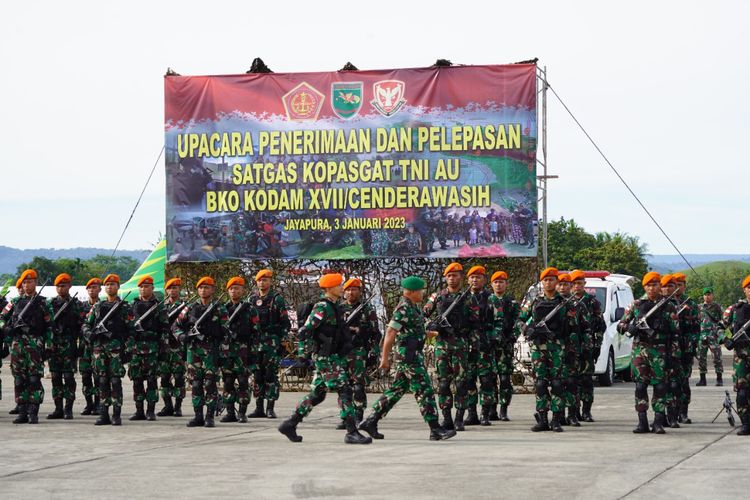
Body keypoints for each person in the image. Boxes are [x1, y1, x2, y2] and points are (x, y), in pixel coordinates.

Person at [358, 276, 456, 441]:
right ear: (411, 292)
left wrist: (433, 333)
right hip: (408, 357)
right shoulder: (403, 309)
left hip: (412, 354)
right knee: (425, 390)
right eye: (420, 291)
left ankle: (370, 421)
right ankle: (435, 429)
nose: (422, 294)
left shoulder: (414, 308)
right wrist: (384, 359)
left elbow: (413, 331)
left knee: (396, 390)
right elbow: (390, 332)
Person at [278, 272, 371, 444]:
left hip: (332, 356)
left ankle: (290, 424)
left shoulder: (335, 306)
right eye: (339, 285)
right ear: (329, 288)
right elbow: (305, 331)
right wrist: (302, 354)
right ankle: (351, 431)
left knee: (318, 394)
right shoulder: (322, 307)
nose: (342, 288)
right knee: (345, 389)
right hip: (325, 357)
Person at [618, 272, 679, 434]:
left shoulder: (668, 306)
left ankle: (658, 422)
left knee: (660, 386)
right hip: (640, 350)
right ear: (644, 287)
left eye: (655, 285)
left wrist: (674, 356)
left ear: (660, 286)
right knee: (640, 386)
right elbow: (620, 325)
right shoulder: (636, 305)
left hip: (660, 352)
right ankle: (642, 421)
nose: (652, 288)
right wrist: (628, 327)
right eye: (648, 285)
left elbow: (675, 333)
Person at [520, 267, 578, 432]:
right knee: (540, 384)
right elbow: (520, 319)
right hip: (539, 347)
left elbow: (573, 328)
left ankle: (557, 419)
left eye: (552, 279)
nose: (548, 282)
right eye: (545, 280)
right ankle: (543, 418)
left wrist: (570, 350)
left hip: (557, 347)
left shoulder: (565, 303)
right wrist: (526, 329)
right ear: (542, 282)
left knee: (558, 383)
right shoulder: (534, 301)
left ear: (557, 282)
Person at [173, 276, 229, 428]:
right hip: (194, 350)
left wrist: (223, 354)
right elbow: (176, 326)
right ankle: (198, 416)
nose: (203, 290)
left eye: (207, 287)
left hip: (211, 350)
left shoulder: (220, 308)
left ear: (213, 290)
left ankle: (209, 416)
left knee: (210, 384)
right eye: (201, 288)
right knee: (196, 384)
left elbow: (225, 332)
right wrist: (182, 336)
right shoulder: (190, 307)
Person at [423, 262, 472, 431]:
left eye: (455, 275)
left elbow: (476, 321)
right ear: (445, 278)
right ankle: (446, 418)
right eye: (449, 275)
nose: (452, 278)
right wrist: (432, 326)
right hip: (442, 345)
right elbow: (424, 313)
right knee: (443, 384)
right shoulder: (437, 296)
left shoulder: (468, 297)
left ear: (461, 277)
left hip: (460, 344)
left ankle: (459, 418)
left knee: (461, 384)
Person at [0, 269, 53, 424]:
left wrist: (48, 345)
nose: (27, 284)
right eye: (24, 282)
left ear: (35, 283)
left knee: (34, 379)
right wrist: (6, 328)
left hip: (35, 345)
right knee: (19, 380)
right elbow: (1, 317)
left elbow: (50, 326)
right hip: (18, 346)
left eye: (30, 281)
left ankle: (33, 411)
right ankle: (22, 411)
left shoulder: (43, 303)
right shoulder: (15, 302)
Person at [82, 274, 134, 426]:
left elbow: (131, 330)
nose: (110, 287)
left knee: (116, 381)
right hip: (99, 349)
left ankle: (116, 414)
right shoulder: (98, 307)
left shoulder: (125, 307)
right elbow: (86, 324)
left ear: (118, 287)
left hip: (116, 349)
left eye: (113, 284)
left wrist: (128, 349)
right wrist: (88, 334)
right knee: (102, 381)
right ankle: (103, 413)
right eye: (107, 284)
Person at [247, 269, 291, 419]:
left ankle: (270, 408)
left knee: (271, 375)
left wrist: (283, 341)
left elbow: (285, 323)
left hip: (272, 343)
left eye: (265, 280)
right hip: (256, 342)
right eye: (260, 280)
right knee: (257, 375)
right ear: (256, 282)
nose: (262, 282)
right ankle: (259, 407)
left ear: (270, 282)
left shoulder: (276, 299)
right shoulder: (251, 300)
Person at [337, 277, 380, 428]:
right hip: (341, 352)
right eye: (348, 290)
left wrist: (374, 352)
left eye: (354, 289)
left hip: (358, 352)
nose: (350, 292)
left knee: (358, 386)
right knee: (343, 386)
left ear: (359, 291)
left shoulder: (367, 310)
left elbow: (376, 333)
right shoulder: (338, 309)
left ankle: (358, 416)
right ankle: (345, 417)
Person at [128, 275, 169, 422]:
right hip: (135, 349)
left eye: (147, 286)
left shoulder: (159, 306)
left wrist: (163, 349)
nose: (144, 289)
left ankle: (150, 410)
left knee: (152, 381)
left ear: (152, 288)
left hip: (152, 348)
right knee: (137, 381)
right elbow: (128, 329)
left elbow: (165, 329)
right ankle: (139, 410)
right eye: (141, 286)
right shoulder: (131, 306)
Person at [221, 276, 260, 423]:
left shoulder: (250, 309)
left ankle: (242, 412)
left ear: (242, 290)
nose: (233, 291)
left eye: (237, 288)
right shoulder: (223, 309)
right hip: (227, 351)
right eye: (231, 289)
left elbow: (256, 332)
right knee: (228, 382)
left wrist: (254, 353)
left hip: (244, 351)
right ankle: (230, 412)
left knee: (243, 382)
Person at [570, 270, 606, 423]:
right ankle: (574, 411)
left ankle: (586, 411)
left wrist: (597, 345)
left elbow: (600, 326)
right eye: (574, 283)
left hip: (587, 347)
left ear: (584, 284)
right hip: (571, 348)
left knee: (586, 380)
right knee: (572, 381)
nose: (577, 286)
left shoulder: (592, 302)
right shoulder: (567, 301)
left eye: (579, 283)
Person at [488, 271, 520, 421]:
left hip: (506, 347)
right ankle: (492, 409)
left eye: (501, 282)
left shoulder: (512, 303)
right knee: (490, 378)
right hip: (490, 346)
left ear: (506, 284)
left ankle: (503, 409)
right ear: (491, 284)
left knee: (505, 379)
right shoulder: (487, 301)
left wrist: (513, 336)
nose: (498, 284)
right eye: (496, 282)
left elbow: (519, 321)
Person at [722, 274, 750, 435]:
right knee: (742, 391)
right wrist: (725, 339)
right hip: (742, 357)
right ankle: (746, 423)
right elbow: (718, 327)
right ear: (744, 290)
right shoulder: (734, 309)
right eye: (749, 288)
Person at [672, 272, 700, 424]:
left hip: (685, 348)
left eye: (680, 285)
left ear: (684, 286)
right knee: (670, 382)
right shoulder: (666, 303)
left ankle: (683, 412)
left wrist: (692, 345)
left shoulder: (691, 304)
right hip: (670, 349)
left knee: (684, 381)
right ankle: (671, 413)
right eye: (674, 285)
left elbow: (696, 328)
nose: (677, 288)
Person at [158, 278, 187, 417]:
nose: (173, 290)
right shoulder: (161, 307)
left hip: (178, 347)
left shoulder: (185, 306)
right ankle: (167, 406)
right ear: (166, 290)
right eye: (170, 288)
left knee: (179, 377)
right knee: (164, 377)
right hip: (164, 346)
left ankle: (178, 407)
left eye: (175, 288)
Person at [465, 265, 489, 426]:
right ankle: (471, 413)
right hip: (467, 347)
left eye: (478, 277)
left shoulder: (490, 298)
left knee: (486, 380)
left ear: (484, 280)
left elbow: (498, 322)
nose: (475, 280)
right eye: (472, 277)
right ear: (468, 280)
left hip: (484, 345)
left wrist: (492, 339)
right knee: (468, 380)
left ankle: (485, 413)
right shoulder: (463, 298)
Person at [79, 277, 102, 415]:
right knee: (86, 376)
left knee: (98, 376)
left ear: (100, 289)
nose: (92, 290)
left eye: (95, 287)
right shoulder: (81, 307)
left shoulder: (103, 305)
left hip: (99, 347)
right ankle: (89, 404)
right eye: (90, 288)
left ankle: (98, 404)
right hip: (84, 347)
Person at [697, 287, 724, 386]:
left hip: (714, 336)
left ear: (712, 295)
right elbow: (695, 320)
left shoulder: (717, 307)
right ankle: (702, 379)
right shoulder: (699, 307)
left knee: (717, 358)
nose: (707, 296)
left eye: (709, 294)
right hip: (702, 336)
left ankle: (719, 379)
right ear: (703, 296)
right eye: (705, 295)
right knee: (701, 358)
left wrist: (721, 332)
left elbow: (724, 320)